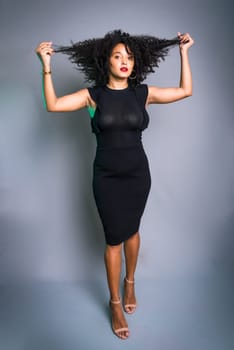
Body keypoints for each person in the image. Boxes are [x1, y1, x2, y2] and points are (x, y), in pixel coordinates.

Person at [35, 29, 194, 340]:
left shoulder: (143, 94)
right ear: (104, 61)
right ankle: (115, 302)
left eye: (129, 57)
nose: (124, 61)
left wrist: (184, 54)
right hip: (106, 178)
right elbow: (52, 105)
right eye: (117, 56)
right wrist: (46, 65)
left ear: (137, 63)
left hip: (138, 176)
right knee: (113, 240)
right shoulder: (92, 96)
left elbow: (185, 90)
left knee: (132, 230)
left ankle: (130, 281)